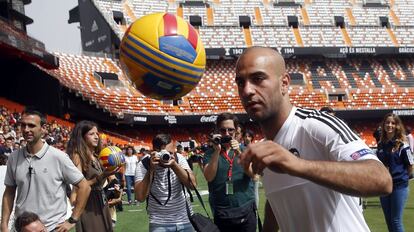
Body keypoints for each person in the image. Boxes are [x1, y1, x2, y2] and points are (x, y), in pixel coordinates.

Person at [235, 47, 392, 232]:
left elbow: (381, 180)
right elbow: (280, 199)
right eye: (240, 82)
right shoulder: (265, 149)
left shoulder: (316, 125)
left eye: (258, 79)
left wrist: (297, 164)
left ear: (284, 83)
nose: (247, 90)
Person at [1, 108, 91, 232]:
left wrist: (72, 220)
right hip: (22, 228)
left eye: (31, 125)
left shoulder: (58, 157)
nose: (26, 130)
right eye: (23, 125)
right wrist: (4, 225)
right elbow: (9, 192)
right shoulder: (13, 158)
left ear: (43, 128)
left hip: (52, 228)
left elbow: (84, 187)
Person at [203, 113, 256, 232]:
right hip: (222, 212)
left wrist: (238, 152)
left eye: (230, 130)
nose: (226, 134)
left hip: (245, 208)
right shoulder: (210, 153)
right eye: (223, 130)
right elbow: (209, 177)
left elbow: (254, 175)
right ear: (217, 130)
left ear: (236, 131)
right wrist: (217, 151)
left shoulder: (244, 150)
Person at [135, 134, 196, 232]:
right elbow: (140, 197)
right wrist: (150, 170)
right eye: (165, 153)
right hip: (159, 222)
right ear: (155, 151)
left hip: (184, 219)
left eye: (171, 152)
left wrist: (175, 165)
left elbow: (193, 185)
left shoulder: (178, 158)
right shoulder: (144, 164)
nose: (169, 156)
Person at [66, 120, 117, 232]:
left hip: (100, 200)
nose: (96, 137)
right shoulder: (77, 156)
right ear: (82, 137)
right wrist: (101, 176)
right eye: (91, 134)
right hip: (87, 203)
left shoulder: (96, 156)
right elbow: (78, 186)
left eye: (97, 134)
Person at [376, 113, 413, 232]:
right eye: (387, 122)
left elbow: (410, 165)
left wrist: (401, 179)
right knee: (389, 220)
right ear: (384, 125)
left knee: (396, 220)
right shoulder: (381, 144)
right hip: (384, 187)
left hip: (399, 186)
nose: (389, 125)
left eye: (393, 123)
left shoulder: (403, 144)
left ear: (397, 126)